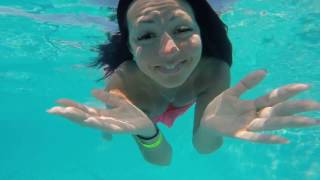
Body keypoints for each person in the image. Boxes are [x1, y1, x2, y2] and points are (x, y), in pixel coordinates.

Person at [47, 0, 320, 166]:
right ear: (128, 46)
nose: (170, 51)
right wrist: (146, 132)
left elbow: (204, 147)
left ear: (201, 32)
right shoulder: (123, 83)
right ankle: (106, 135)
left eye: (182, 29)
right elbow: (162, 161)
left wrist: (211, 127)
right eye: (146, 36)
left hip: (175, 96)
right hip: (141, 103)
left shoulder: (213, 70)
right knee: (106, 129)